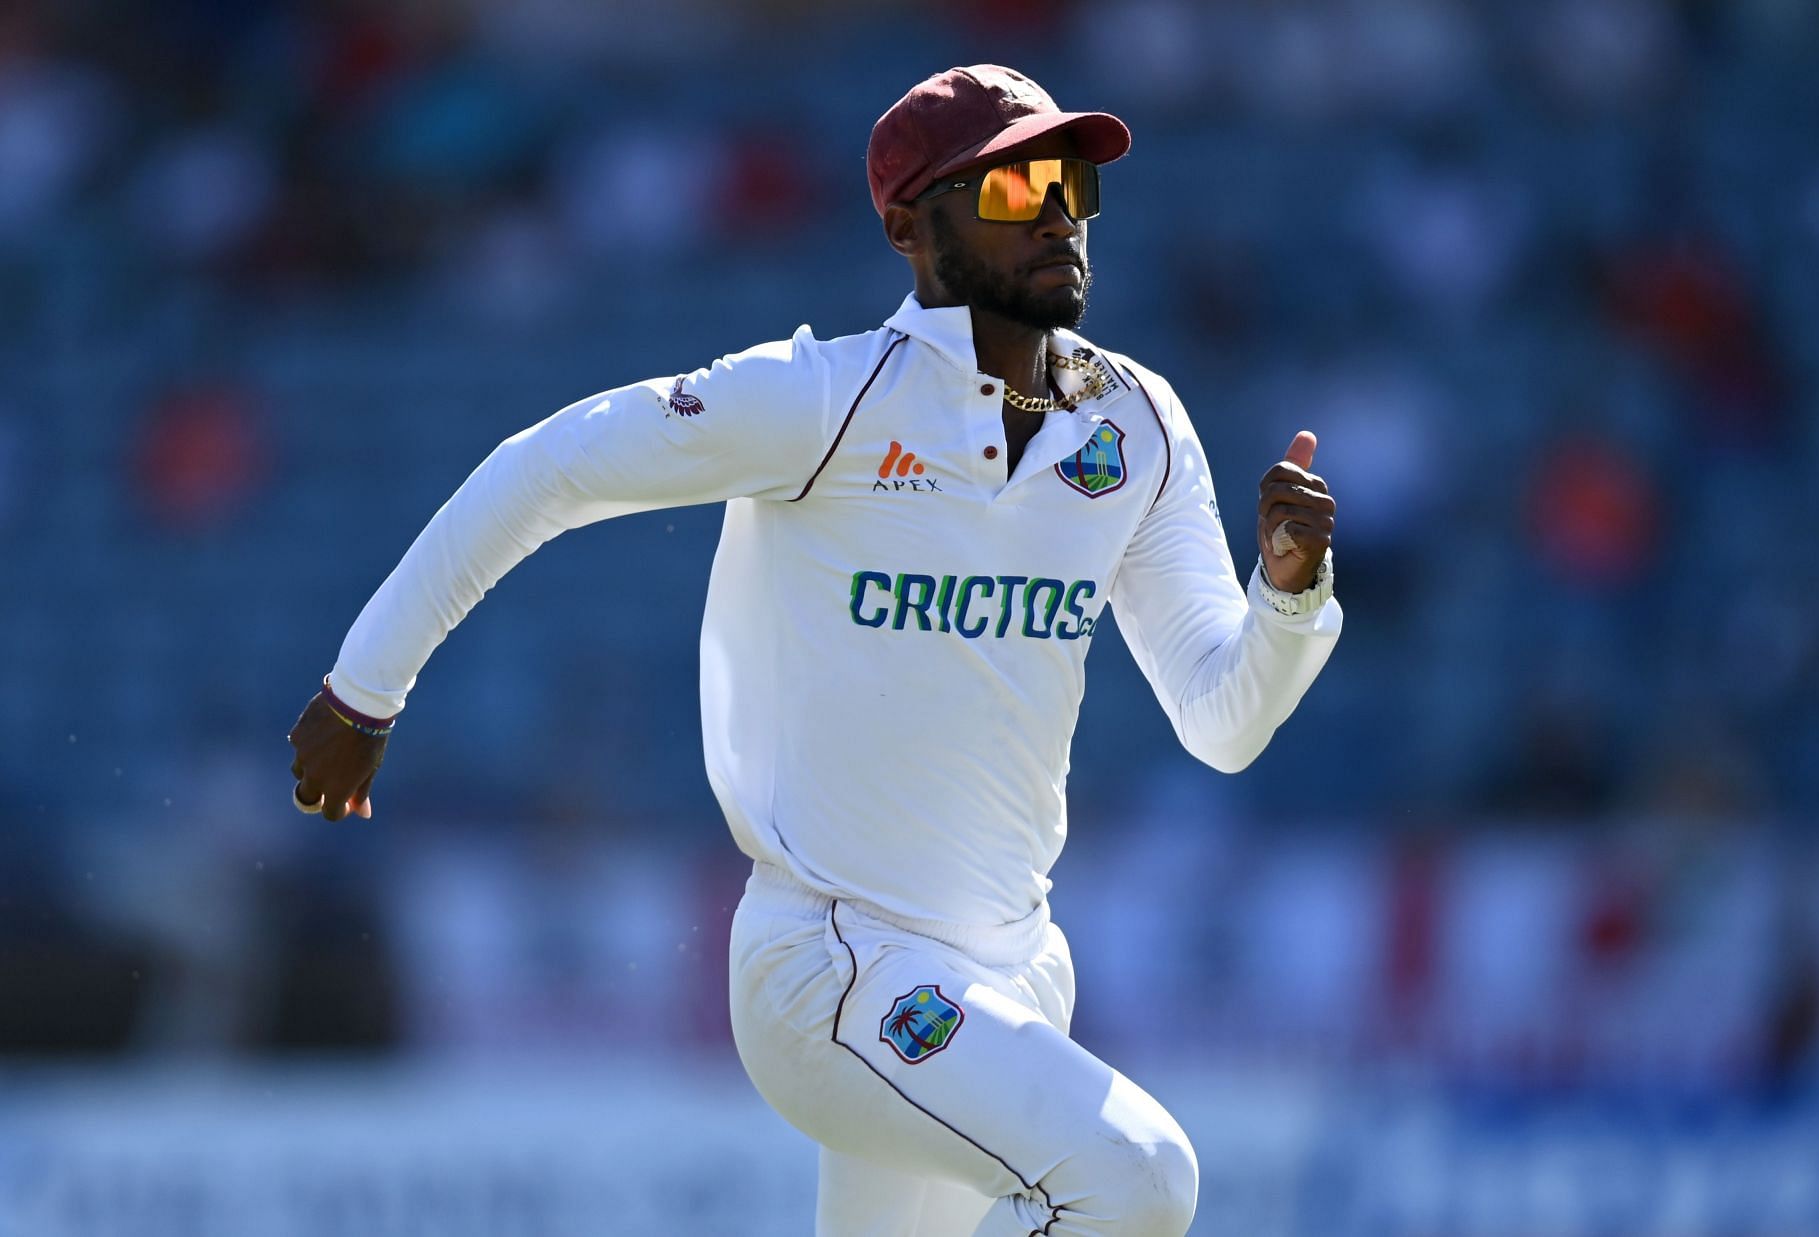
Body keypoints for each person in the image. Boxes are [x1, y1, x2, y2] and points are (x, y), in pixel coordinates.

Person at [286, 64, 1342, 1236]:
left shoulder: (1136, 424)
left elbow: (1222, 719)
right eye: (1011, 188)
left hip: (1017, 971)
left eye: (1073, 180)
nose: (1055, 211)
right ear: (907, 226)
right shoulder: (824, 400)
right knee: (1142, 1176)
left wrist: (1288, 599)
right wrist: (366, 687)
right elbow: (550, 466)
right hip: (831, 965)